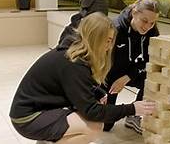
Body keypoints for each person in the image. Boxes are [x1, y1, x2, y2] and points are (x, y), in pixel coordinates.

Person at [9, 12, 155, 144]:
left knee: (92, 122)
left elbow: (75, 85)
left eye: (111, 41)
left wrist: (97, 92)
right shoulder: (73, 63)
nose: (109, 46)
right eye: (107, 40)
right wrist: (132, 108)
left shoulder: (77, 53)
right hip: (27, 117)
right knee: (93, 128)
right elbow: (91, 111)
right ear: (94, 38)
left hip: (39, 108)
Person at [102, 0, 160, 134]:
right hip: (109, 76)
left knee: (155, 77)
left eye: (152, 23)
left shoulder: (152, 32)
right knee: (106, 126)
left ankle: (134, 116)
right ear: (134, 12)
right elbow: (100, 60)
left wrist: (127, 77)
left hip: (130, 72)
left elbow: (150, 61)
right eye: (144, 21)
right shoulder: (115, 28)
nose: (147, 27)